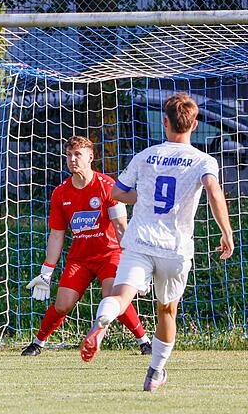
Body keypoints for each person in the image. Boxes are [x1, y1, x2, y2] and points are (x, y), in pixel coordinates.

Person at [80, 93, 234, 392]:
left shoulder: (145, 155)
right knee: (167, 309)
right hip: (175, 249)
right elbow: (214, 191)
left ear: (165, 122)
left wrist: (143, 197)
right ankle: (155, 372)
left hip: (139, 241)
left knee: (122, 295)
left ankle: (102, 323)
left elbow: (117, 194)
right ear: (194, 124)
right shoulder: (203, 160)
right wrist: (227, 233)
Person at [22, 136, 151, 356]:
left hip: (109, 255)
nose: (72, 159)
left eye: (77, 154)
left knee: (112, 298)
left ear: (91, 157)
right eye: (69, 155)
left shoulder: (107, 186)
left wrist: (134, 267)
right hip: (79, 259)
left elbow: (121, 228)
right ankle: (37, 343)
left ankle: (145, 342)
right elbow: (56, 235)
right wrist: (46, 272)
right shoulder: (60, 193)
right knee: (62, 305)